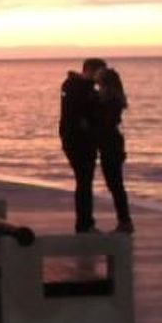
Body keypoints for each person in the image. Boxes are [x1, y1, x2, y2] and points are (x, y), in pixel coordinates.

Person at [84, 57, 133, 233]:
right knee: (115, 184)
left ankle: (125, 221)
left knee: (115, 184)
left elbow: (103, 121)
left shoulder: (109, 101)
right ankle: (124, 220)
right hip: (112, 144)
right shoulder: (112, 99)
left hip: (110, 145)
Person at [59, 66, 100, 231]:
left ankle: (85, 222)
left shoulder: (74, 86)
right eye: (99, 73)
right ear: (90, 70)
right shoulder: (79, 88)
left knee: (84, 182)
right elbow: (83, 112)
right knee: (84, 182)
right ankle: (85, 223)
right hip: (79, 141)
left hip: (76, 139)